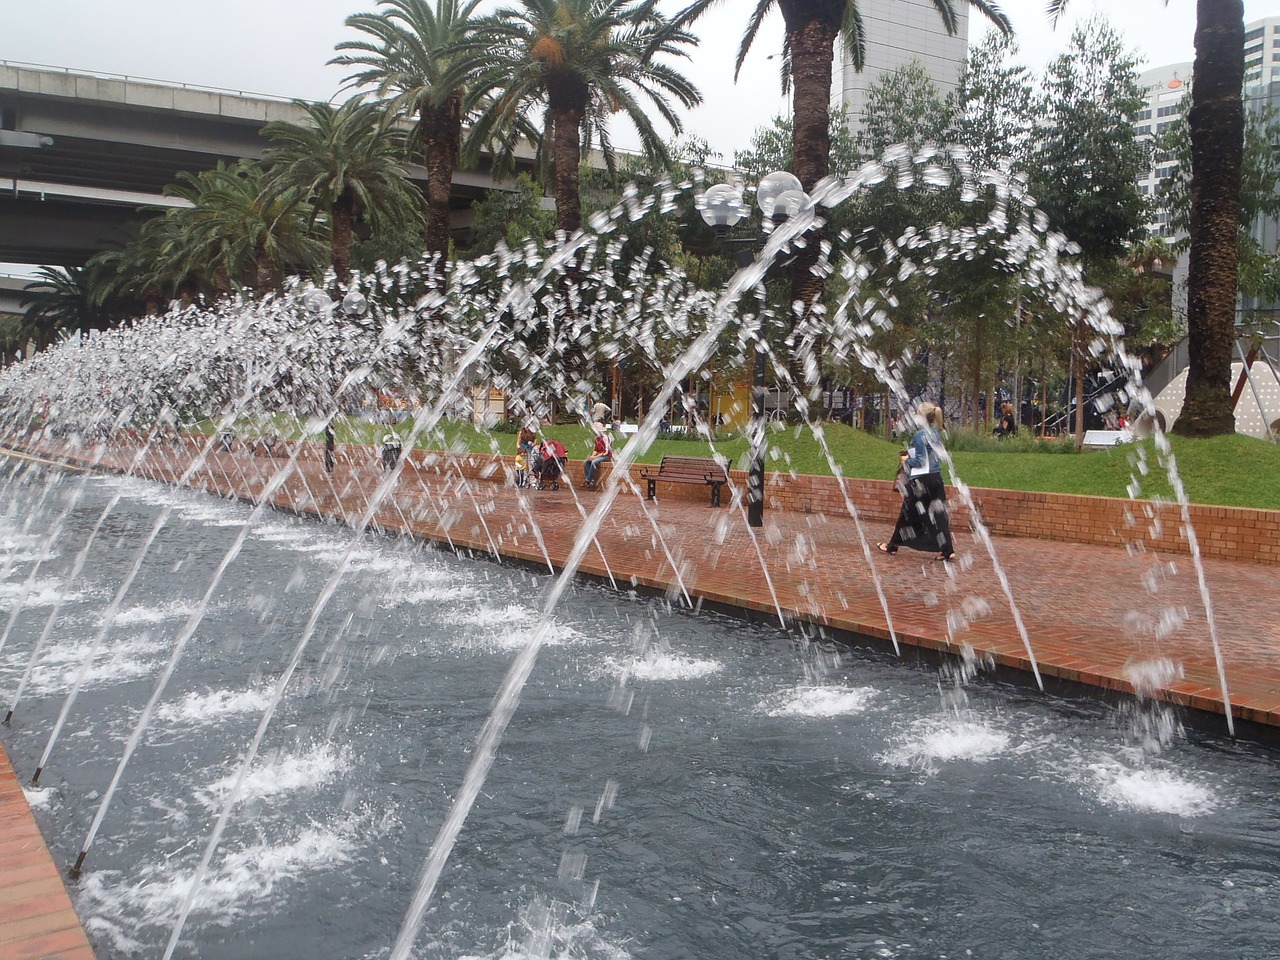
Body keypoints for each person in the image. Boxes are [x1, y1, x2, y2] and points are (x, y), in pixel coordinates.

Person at [877, 402, 954, 561]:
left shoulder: (919, 435)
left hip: (922, 481)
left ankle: (892, 546)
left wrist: (906, 459)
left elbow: (920, 461)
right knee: (939, 514)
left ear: (923, 417)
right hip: (936, 478)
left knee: (908, 512)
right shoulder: (937, 433)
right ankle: (948, 550)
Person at [582, 421, 613, 487]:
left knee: (594, 462)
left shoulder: (605, 438)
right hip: (600, 455)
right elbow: (596, 449)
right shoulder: (597, 438)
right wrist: (592, 456)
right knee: (586, 462)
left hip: (606, 456)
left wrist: (594, 458)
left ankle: (588, 480)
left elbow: (605, 452)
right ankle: (590, 479)